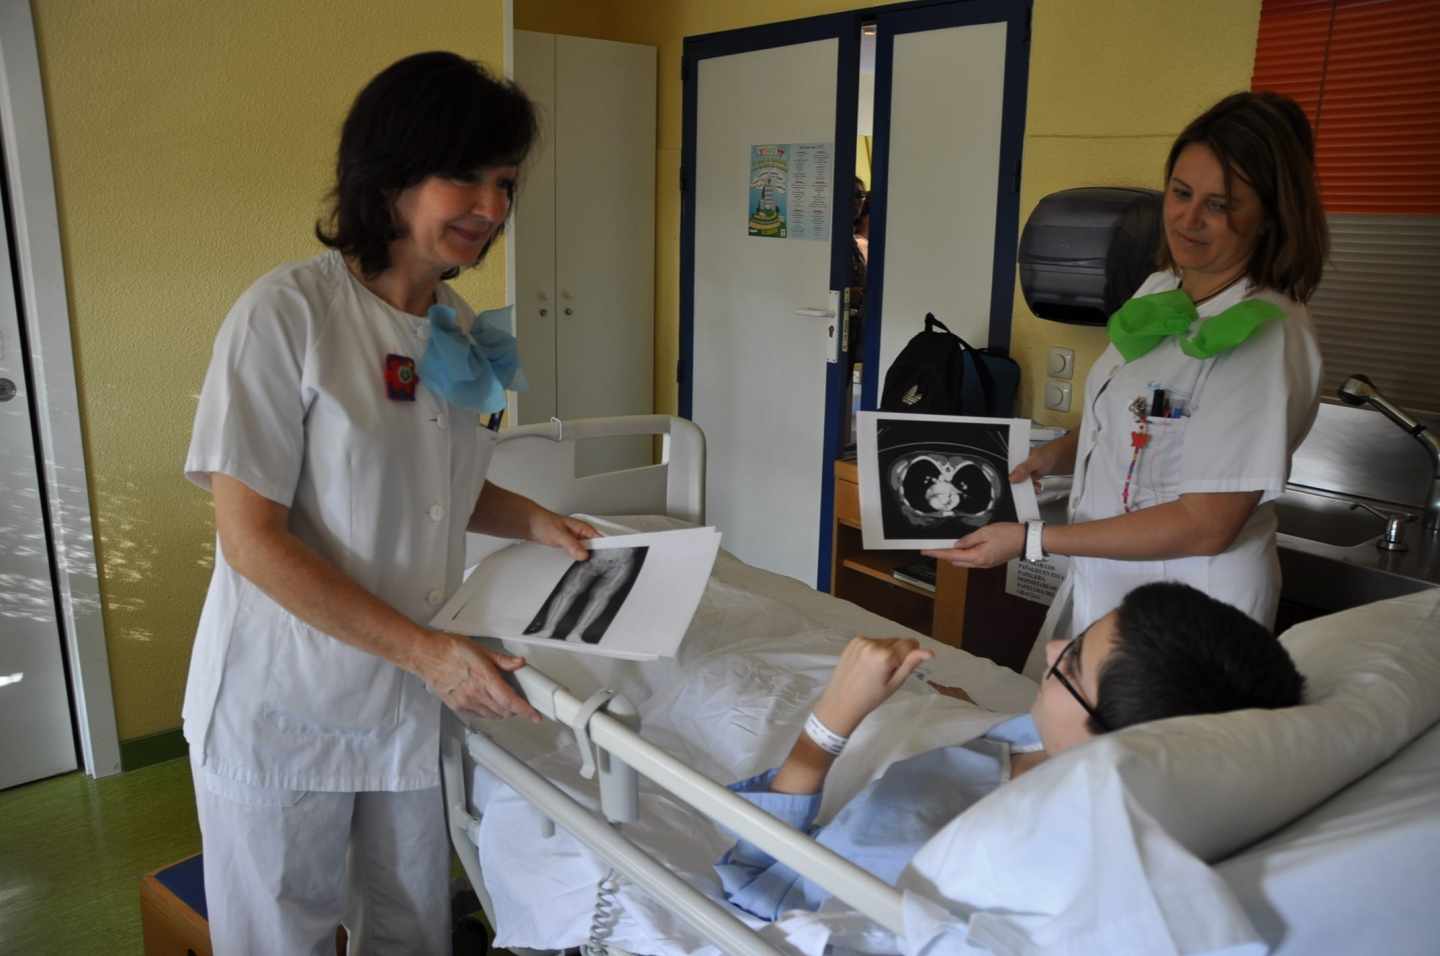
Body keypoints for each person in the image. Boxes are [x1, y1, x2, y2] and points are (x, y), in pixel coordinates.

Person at [182, 52, 598, 955]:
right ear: (391, 174)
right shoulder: (286, 316)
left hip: (408, 702)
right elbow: (252, 539)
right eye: (466, 176)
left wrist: (536, 521)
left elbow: (436, 483)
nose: (491, 208)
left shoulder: (452, 330)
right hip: (287, 702)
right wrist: (431, 655)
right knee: (279, 940)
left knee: (410, 931)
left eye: (506, 182)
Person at [925, 91, 1329, 678]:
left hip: (1189, 608)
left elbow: (1207, 524)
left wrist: (1035, 539)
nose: (1189, 219)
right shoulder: (1162, 289)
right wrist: (1056, 454)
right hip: (1111, 583)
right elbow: (1137, 409)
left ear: (1268, 215)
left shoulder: (1264, 337)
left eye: (1220, 205)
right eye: (1182, 193)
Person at [714, 582, 1305, 920]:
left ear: (1112, 745)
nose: (1050, 648)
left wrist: (831, 721)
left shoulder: (949, 850)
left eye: (1069, 664)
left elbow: (754, 883)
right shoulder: (1054, 739)